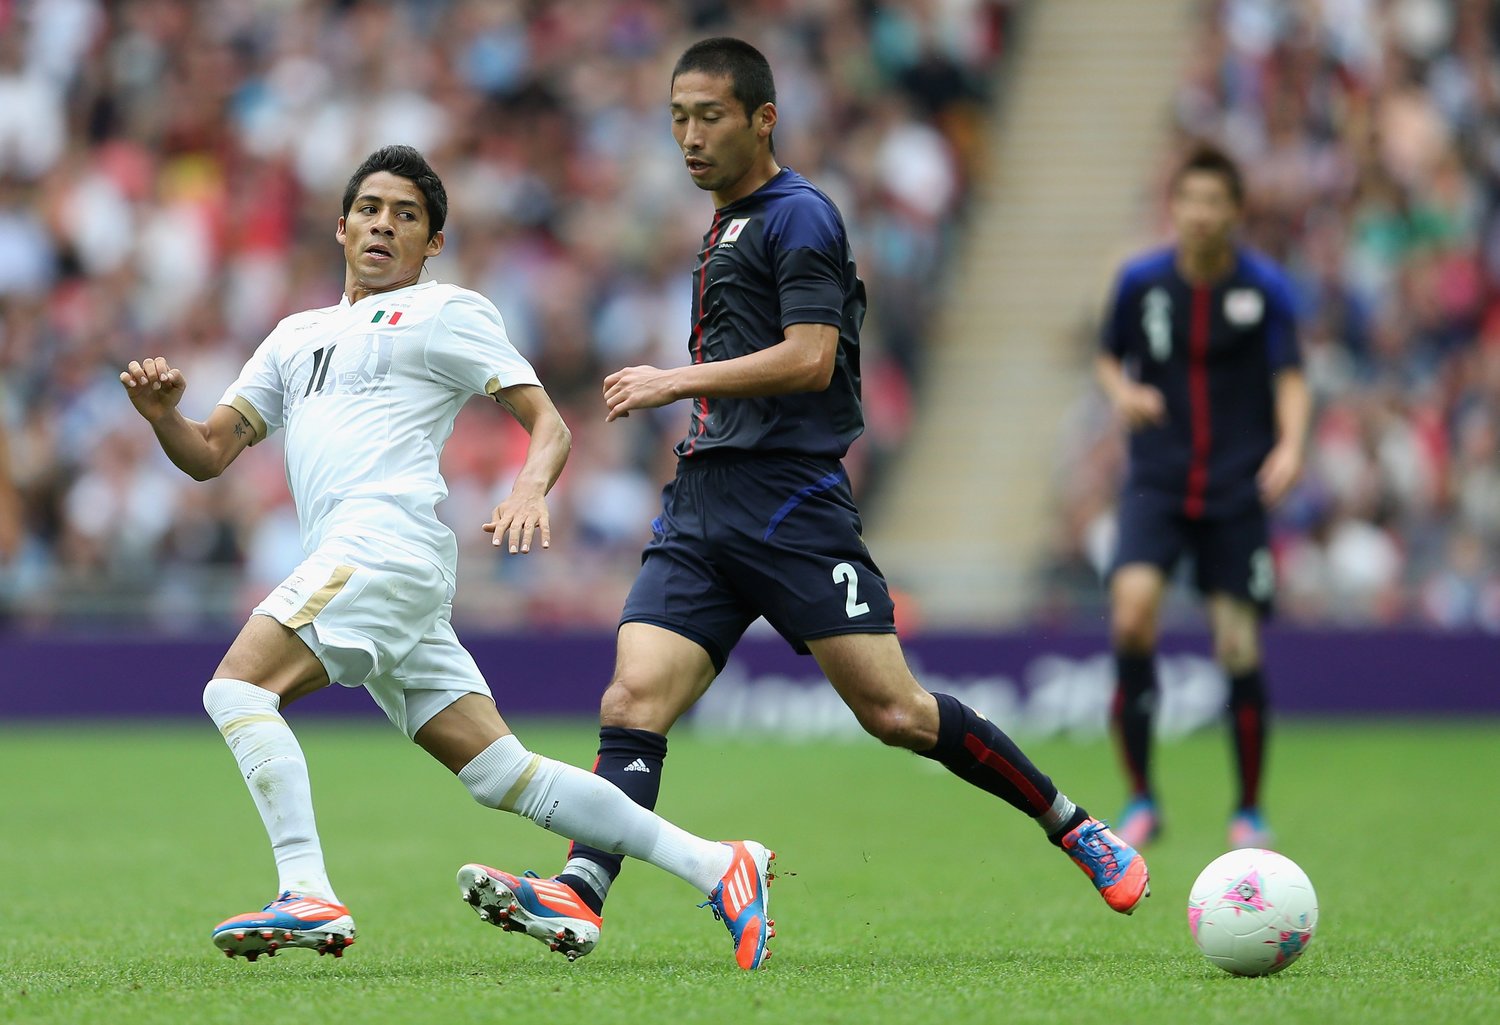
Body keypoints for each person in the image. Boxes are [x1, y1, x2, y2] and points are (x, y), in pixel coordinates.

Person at [481, 37, 1150, 964]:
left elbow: (811, 356)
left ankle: (1073, 823)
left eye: (708, 116)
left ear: (763, 118)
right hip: (704, 500)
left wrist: (676, 381)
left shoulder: (801, 217)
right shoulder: (725, 224)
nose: (689, 137)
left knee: (896, 713)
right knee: (632, 694)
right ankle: (583, 888)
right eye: (677, 118)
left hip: (792, 505)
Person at [119, 144, 773, 970]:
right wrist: (160, 417)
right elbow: (210, 451)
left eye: (407, 215)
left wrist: (531, 488)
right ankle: (719, 864)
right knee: (500, 773)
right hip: (375, 567)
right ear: (341, 226)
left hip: (382, 543)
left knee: (237, 686)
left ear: (432, 243)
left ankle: (306, 888)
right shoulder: (295, 336)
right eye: (370, 209)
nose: (384, 223)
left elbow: (549, 423)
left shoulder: (446, 312)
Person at [1094, 144, 1310, 851]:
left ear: (1235, 212)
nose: (1200, 214)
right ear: (1175, 208)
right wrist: (1124, 391)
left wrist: (1290, 445)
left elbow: (1291, 376)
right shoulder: (1141, 283)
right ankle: (1141, 797)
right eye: (1190, 199)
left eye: (1215, 201)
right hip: (1157, 480)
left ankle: (1248, 808)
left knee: (1237, 645)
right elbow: (1106, 354)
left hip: (1232, 487)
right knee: (1130, 619)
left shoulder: (1265, 289)